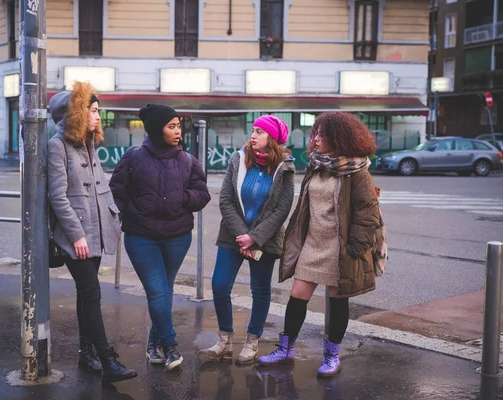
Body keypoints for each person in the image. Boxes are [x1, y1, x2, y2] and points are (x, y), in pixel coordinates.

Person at [257, 112, 380, 378]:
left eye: (322, 134)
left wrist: (354, 248)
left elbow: (367, 212)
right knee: (297, 296)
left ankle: (331, 355)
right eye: (316, 133)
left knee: (337, 301)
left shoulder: (356, 171)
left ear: (339, 138)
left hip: (341, 247)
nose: (316, 139)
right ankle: (286, 348)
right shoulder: (316, 165)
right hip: (313, 243)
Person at [109, 104, 211, 371]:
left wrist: (184, 198)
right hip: (141, 237)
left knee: (163, 292)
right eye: (171, 126)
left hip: (177, 237)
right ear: (156, 129)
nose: (178, 131)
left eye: (179, 126)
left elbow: (203, 194)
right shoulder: (133, 158)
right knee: (157, 291)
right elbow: (116, 192)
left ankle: (153, 345)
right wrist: (129, 214)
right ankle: (170, 345)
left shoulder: (189, 162)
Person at [48, 82, 137, 383]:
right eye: (94, 110)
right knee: (92, 293)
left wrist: (115, 218)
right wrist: (76, 235)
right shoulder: (57, 146)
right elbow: (58, 196)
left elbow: (101, 187)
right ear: (77, 113)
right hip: (77, 236)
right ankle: (106, 359)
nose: (99, 116)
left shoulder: (89, 144)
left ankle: (86, 354)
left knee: (85, 295)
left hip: (96, 232)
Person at [199, 115, 295, 365]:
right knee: (220, 285)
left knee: (260, 290)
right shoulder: (238, 160)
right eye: (253, 130)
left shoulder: (285, 168)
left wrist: (254, 237)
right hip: (233, 235)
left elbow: (282, 210)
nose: (253, 135)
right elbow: (225, 200)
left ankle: (252, 342)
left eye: (260, 132)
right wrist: (242, 234)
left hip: (265, 239)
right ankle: (225, 341)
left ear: (272, 139)